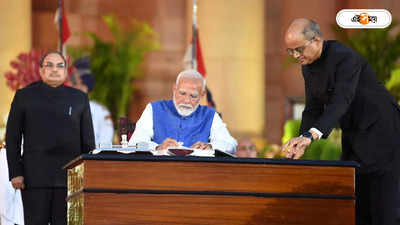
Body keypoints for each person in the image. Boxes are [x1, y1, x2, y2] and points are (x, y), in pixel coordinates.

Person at [282, 18, 400, 225]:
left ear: (316, 39)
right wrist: (301, 139)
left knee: (384, 205)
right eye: (290, 51)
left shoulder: (345, 58)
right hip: (354, 133)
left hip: (382, 131)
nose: (295, 56)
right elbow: (313, 108)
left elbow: (341, 100)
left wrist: (312, 135)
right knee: (356, 201)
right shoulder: (307, 65)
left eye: (299, 49)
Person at [6, 51, 95, 225]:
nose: (55, 69)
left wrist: (88, 176)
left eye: (60, 65)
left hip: (72, 179)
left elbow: (88, 142)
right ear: (40, 70)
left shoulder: (80, 99)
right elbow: (13, 138)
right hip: (35, 178)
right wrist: (16, 173)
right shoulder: (24, 97)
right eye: (49, 65)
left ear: (66, 71)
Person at [128, 69, 237, 154]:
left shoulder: (210, 115)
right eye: (182, 93)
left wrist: (211, 146)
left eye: (193, 96)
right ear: (174, 89)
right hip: (159, 171)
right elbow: (135, 143)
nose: (186, 100)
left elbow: (231, 144)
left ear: (202, 95)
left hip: (198, 173)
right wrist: (158, 147)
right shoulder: (154, 108)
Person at [72, 56, 114, 147]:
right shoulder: (65, 109)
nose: (75, 87)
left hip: (93, 158)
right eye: (74, 83)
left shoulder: (100, 112)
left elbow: (105, 141)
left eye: (78, 83)